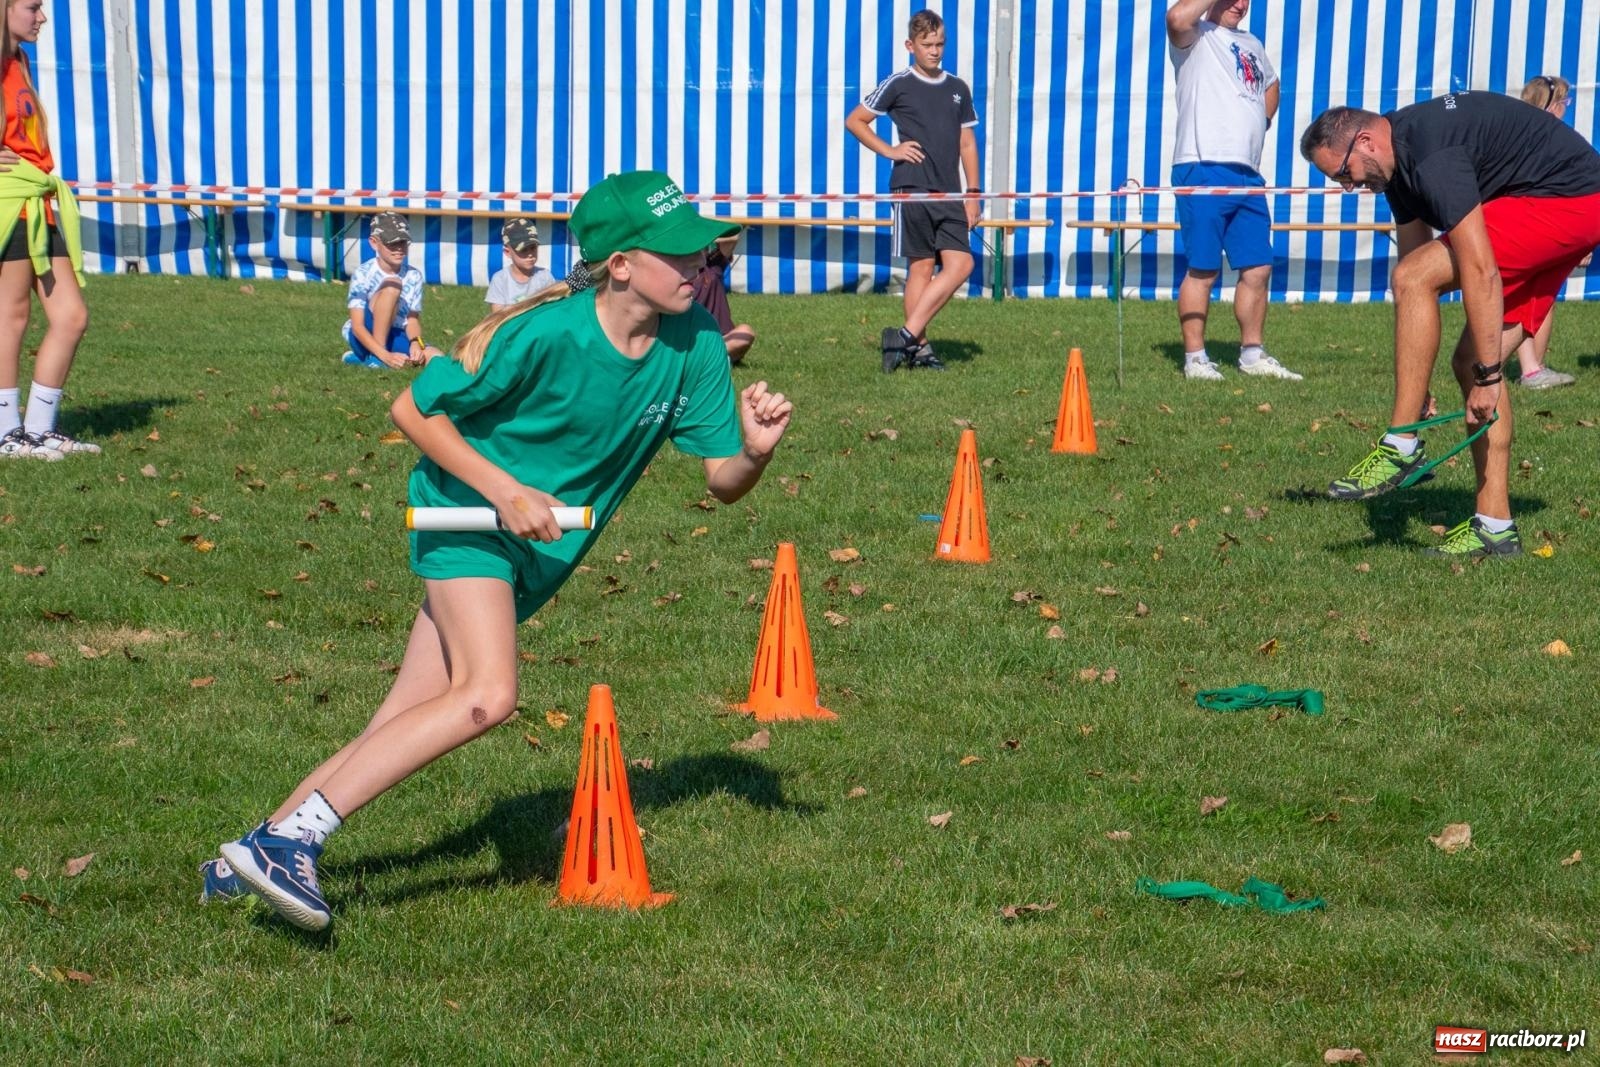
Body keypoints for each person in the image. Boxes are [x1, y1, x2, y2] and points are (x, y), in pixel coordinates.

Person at [201, 170, 793, 931]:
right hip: (464, 517)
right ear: (619, 264)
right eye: (675, 254)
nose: (697, 265)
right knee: (488, 695)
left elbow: (724, 481)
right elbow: (412, 407)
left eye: (698, 252)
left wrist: (756, 450)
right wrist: (505, 491)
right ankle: (294, 842)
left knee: (402, 718)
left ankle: (242, 859)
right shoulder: (542, 331)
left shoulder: (698, 346)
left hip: (531, 555)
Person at [1302, 91, 1600, 557]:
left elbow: (1478, 271)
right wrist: (1419, 385)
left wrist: (1490, 375)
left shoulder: (1431, 154)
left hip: (1566, 200)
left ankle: (1401, 444)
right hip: (1571, 202)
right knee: (1465, 360)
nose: (1347, 186)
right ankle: (1494, 525)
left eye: (1343, 173)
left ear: (1364, 141)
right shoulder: (1396, 163)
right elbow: (1415, 263)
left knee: (1458, 337)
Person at [1165, 0, 1301, 382]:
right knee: (1203, 268)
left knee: (1258, 267)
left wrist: (1263, 118)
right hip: (1202, 165)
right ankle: (1195, 358)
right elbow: (1175, 17)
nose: (1241, 4)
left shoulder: (1252, 43)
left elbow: (1272, 84)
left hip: (1248, 172)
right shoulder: (1195, 36)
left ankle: (1252, 354)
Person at [846, 8, 981, 373]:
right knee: (920, 267)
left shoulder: (958, 88)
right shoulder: (898, 83)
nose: (935, 51)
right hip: (912, 188)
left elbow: (967, 142)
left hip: (950, 193)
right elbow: (855, 120)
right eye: (927, 45)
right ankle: (920, 350)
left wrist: (973, 191)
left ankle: (903, 336)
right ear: (911, 45)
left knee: (962, 263)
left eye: (940, 44)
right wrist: (890, 150)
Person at [0, 0, 97, 461]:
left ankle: (38, 429)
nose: (41, 17)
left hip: (38, 199)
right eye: (33, 7)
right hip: (8, 201)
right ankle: (5, 431)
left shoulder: (18, 59)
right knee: (11, 316)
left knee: (71, 316)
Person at [1508, 76, 1581, 389]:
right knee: (1532, 296)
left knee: (1534, 295)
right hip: (1537, 223)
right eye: (1564, 101)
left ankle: (1531, 367)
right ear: (1551, 105)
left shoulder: (1518, 133)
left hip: (1529, 221)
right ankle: (1531, 369)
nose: (1566, 107)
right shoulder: (1547, 137)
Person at [340, 211, 443, 370]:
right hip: (363, 334)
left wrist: (416, 343)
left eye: (403, 242)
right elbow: (357, 326)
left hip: (395, 332)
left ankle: (361, 359)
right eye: (392, 243)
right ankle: (376, 357)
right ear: (374, 243)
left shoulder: (414, 275)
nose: (399, 249)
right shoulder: (362, 273)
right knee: (392, 285)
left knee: (436, 357)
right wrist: (385, 355)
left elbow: (412, 319)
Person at [690, 233, 756, 364]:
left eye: (702, 249)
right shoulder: (677, 274)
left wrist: (702, 236)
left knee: (745, 332)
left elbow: (734, 237)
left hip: (723, 338)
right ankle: (712, 359)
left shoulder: (713, 265)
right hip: (694, 340)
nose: (701, 252)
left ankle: (707, 359)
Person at [484, 216, 557, 312]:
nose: (530, 254)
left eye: (533, 248)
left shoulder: (545, 277)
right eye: (523, 250)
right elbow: (497, 317)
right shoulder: (500, 280)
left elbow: (552, 309)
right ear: (507, 252)